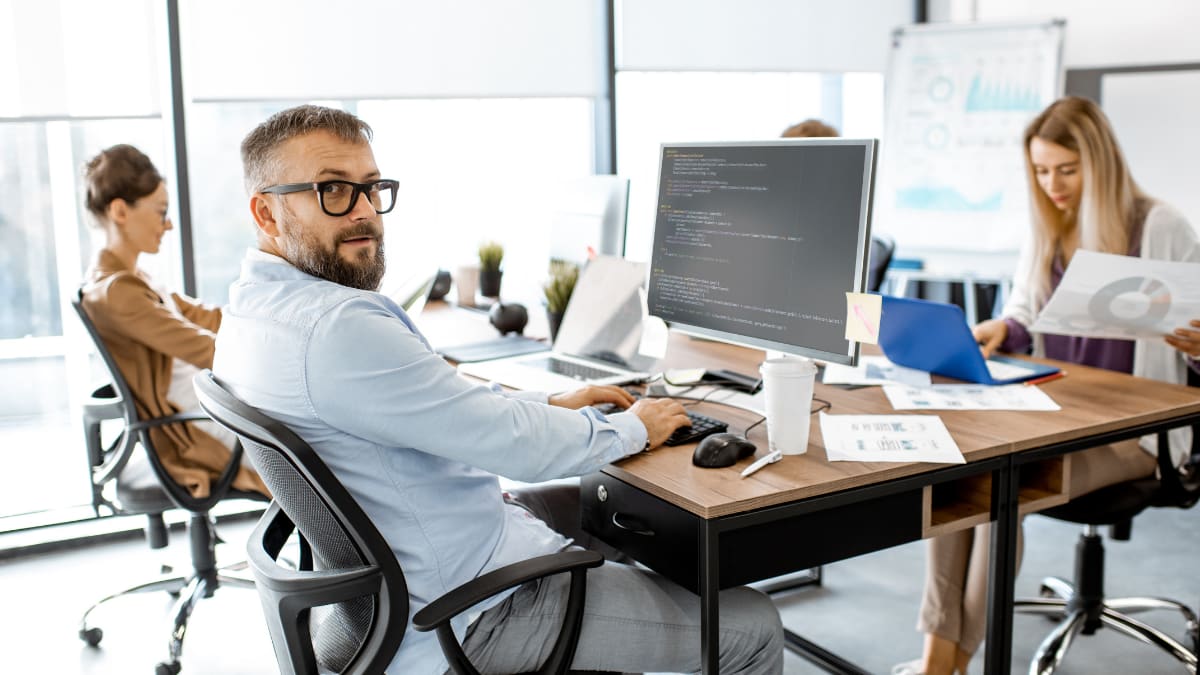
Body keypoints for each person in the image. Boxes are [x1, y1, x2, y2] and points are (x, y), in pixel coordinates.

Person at [213, 105, 784, 673]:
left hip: (404, 586)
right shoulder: (337, 327)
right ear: (266, 212)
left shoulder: (247, 315)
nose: (364, 212)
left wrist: (552, 403)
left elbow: (442, 406)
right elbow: (522, 452)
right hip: (468, 613)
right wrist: (636, 426)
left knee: (601, 508)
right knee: (752, 624)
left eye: (371, 188)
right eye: (333, 190)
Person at [895, 96, 1200, 675]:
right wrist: (999, 328)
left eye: (1066, 169)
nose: (1052, 184)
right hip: (1056, 417)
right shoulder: (1046, 225)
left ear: (1100, 162)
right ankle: (941, 654)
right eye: (1040, 170)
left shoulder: (1160, 226)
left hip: (1136, 435)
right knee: (960, 473)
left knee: (1005, 491)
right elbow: (1028, 314)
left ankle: (943, 667)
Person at [80, 144, 267, 498]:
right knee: (315, 450)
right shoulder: (117, 291)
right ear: (120, 210)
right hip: (191, 429)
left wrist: (272, 322)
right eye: (160, 211)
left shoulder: (132, 278)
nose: (168, 224)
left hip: (206, 409)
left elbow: (209, 317)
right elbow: (208, 350)